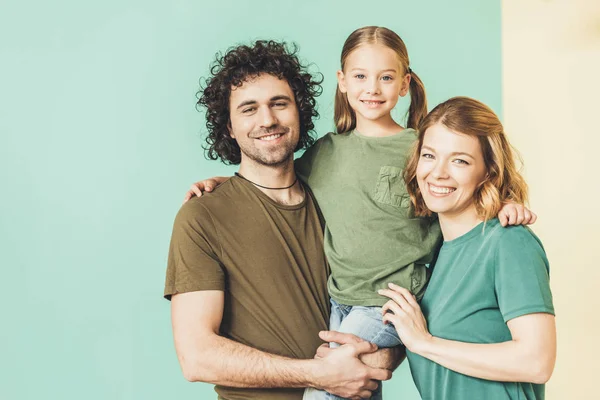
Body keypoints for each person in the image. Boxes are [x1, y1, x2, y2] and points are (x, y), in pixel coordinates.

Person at [184, 27, 536, 400]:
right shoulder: (325, 153)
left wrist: (505, 204)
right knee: (354, 390)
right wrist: (226, 181)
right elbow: (273, 174)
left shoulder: (420, 149)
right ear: (343, 82)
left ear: (404, 84)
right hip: (340, 300)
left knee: (325, 390)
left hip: (386, 302)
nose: (372, 88)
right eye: (360, 77)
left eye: (386, 77)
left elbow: (459, 189)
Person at [164, 40, 397, 400]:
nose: (268, 119)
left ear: (299, 111)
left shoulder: (335, 197)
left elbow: (391, 288)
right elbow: (196, 357)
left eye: (279, 103)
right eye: (248, 109)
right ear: (228, 126)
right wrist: (320, 375)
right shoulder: (203, 215)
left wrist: (387, 352)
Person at [379, 96, 556, 400]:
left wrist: (425, 343)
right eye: (429, 155)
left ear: (488, 171)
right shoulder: (434, 251)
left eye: (459, 160)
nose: (438, 173)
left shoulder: (508, 242)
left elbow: (537, 361)